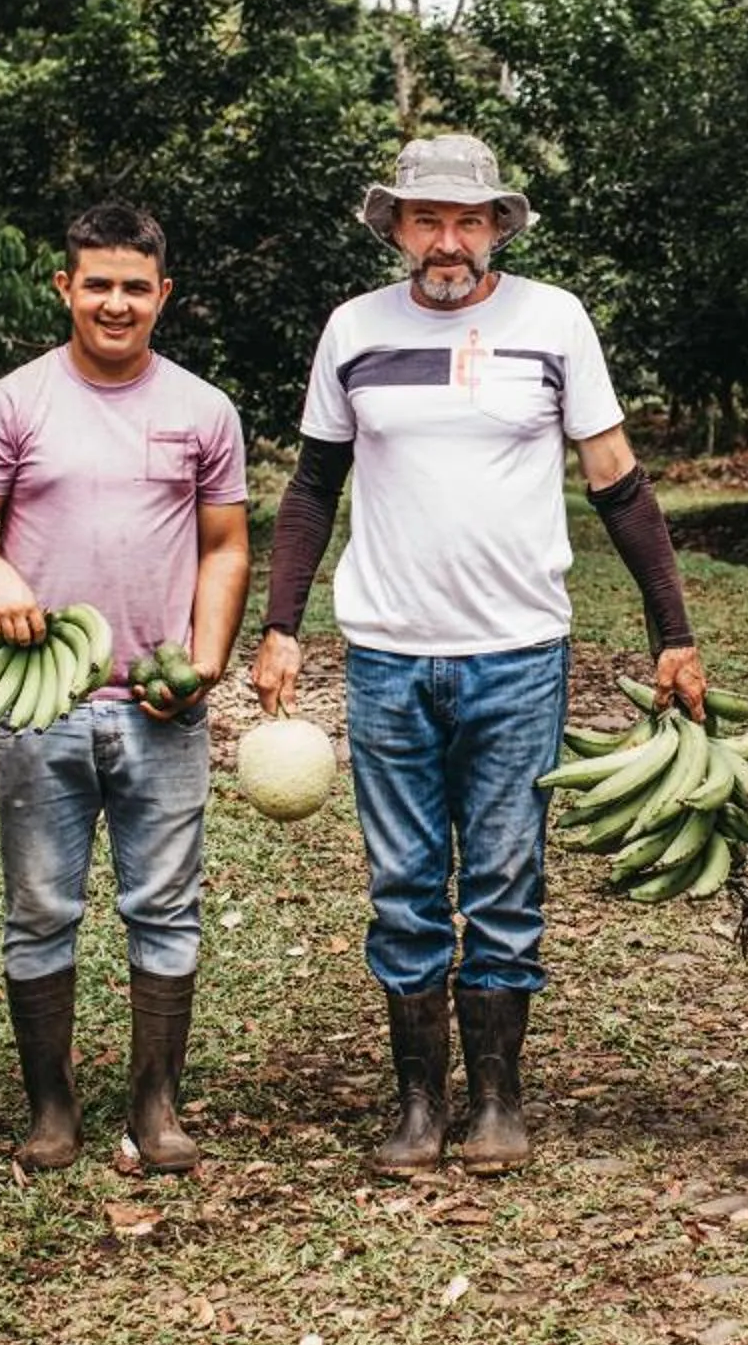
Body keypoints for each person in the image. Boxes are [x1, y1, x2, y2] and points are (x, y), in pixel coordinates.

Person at [251, 132, 708, 1179]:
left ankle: (498, 1098)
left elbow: (619, 483)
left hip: (516, 651)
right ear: (397, 227)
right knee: (405, 881)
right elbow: (314, 485)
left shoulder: (554, 321)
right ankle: (419, 1101)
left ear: (499, 223)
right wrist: (282, 621)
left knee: (503, 875)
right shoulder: (353, 330)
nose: (447, 239)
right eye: (427, 218)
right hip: (387, 654)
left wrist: (672, 631)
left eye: (468, 219)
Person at [0, 204, 250, 1176]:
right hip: (41, 702)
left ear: (165, 295)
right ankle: (51, 1106)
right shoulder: (14, 403)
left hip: (161, 704)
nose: (116, 302)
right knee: (40, 906)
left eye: (135, 285)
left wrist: (206, 655)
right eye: (97, 282)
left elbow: (227, 542)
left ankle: (156, 1106)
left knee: (165, 904)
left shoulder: (204, 410)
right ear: (64, 287)